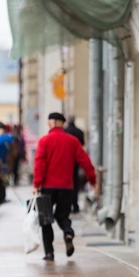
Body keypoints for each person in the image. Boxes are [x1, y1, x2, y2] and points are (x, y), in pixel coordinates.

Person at [33, 112, 97, 262]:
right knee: (63, 215)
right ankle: (68, 232)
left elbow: (40, 164)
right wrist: (93, 180)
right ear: (63, 123)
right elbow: (85, 161)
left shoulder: (44, 141)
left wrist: (37, 184)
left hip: (47, 187)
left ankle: (49, 252)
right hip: (67, 187)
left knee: (46, 219)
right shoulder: (73, 141)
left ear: (50, 123)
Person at [64, 116, 85, 213]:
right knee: (75, 183)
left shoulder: (64, 132)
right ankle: (75, 205)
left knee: (66, 184)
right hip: (76, 160)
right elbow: (82, 146)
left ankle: (67, 205)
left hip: (65, 161)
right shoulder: (79, 132)